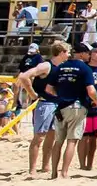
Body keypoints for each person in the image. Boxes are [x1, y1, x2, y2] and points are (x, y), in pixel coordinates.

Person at [42, 42, 97, 180]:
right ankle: (64, 173)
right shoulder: (85, 68)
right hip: (76, 106)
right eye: (88, 53)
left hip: (61, 107)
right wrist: (96, 101)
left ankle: (54, 173)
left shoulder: (60, 67)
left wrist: (60, 96)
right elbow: (91, 90)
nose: (89, 55)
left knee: (58, 141)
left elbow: (48, 89)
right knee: (72, 141)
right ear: (82, 54)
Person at [13, 44, 61, 176]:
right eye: (67, 52)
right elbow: (24, 76)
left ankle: (45, 166)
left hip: (57, 103)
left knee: (52, 135)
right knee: (39, 136)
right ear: (61, 52)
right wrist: (32, 94)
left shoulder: (62, 66)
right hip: (45, 104)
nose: (69, 54)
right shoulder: (46, 65)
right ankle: (32, 169)